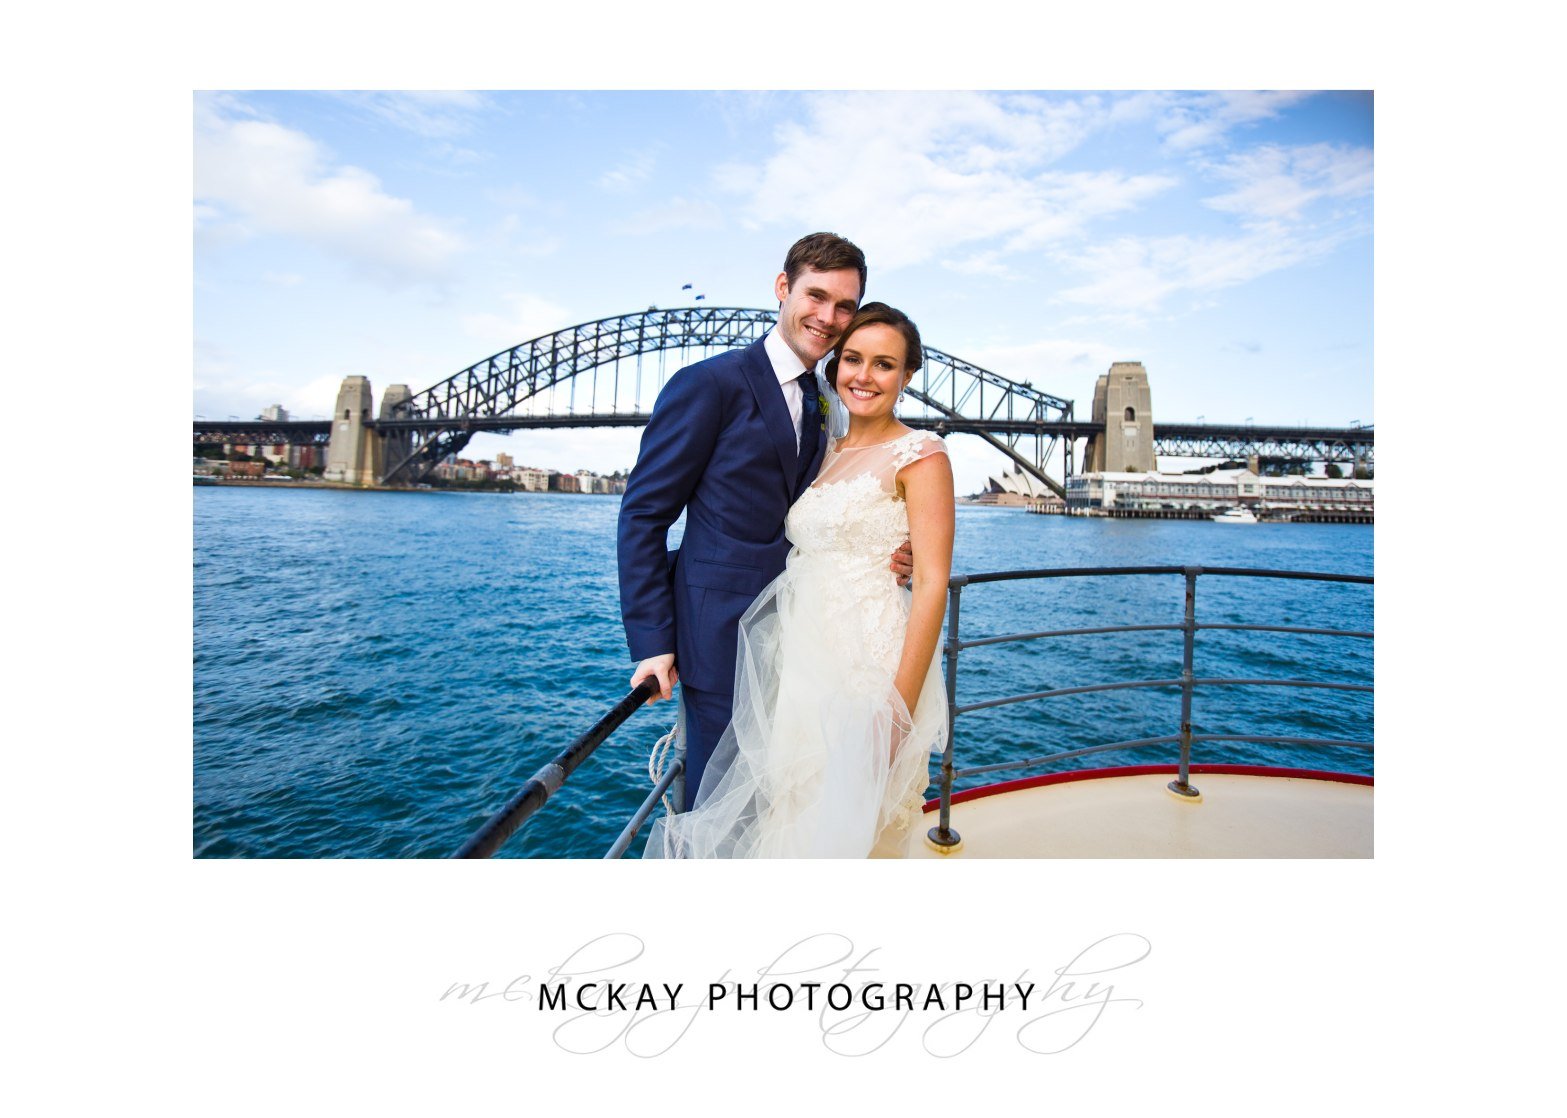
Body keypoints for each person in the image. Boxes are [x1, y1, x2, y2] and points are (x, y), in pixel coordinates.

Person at [645, 303, 955, 857]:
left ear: (908, 376)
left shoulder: (923, 455)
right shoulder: (827, 446)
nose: (864, 376)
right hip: (797, 667)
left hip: (865, 668)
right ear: (834, 366)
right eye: (853, 359)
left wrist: (898, 711)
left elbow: (932, 581)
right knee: (791, 811)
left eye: (884, 364)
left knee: (846, 826)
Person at [618, 233, 911, 811]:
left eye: (845, 306)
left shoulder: (828, 399)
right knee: (717, 808)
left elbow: (830, 504)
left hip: (806, 640)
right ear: (783, 289)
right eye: (816, 296)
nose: (829, 318)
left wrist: (889, 549)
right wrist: (652, 643)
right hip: (719, 641)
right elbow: (644, 513)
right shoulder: (710, 384)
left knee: (783, 802)